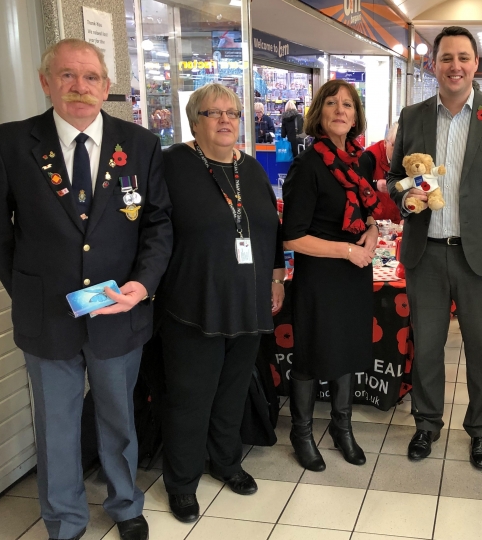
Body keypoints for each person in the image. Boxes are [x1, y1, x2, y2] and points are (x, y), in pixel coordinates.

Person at [0, 39, 173, 540]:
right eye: (67, 75)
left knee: (118, 417)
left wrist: (143, 285)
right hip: (47, 316)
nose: (79, 87)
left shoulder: (142, 144)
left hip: (120, 310)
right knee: (57, 425)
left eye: (90, 77)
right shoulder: (9, 143)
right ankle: (65, 520)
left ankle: (125, 503)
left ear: (107, 87)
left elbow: (158, 225)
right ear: (46, 82)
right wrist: (29, 289)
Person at [387, 26, 482, 470]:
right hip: (424, 253)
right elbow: (394, 178)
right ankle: (426, 423)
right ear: (434, 64)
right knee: (426, 346)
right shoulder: (412, 116)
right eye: (447, 57)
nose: (455, 66)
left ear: (475, 64)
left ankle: (481, 430)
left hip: (480, 255)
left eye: (463, 57)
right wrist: (407, 194)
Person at [156, 83, 285, 523]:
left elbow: (270, 228)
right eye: (214, 113)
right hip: (193, 305)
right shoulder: (171, 164)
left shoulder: (248, 168)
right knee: (190, 398)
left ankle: (226, 462)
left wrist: (276, 276)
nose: (225, 120)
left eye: (232, 112)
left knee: (231, 392)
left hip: (247, 303)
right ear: (195, 122)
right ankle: (183, 482)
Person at [282, 79, 384, 471]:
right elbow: (292, 237)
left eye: (348, 104)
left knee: (347, 353)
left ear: (356, 116)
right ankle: (302, 433)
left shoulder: (357, 160)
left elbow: (367, 211)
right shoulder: (307, 165)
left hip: (353, 274)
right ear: (319, 113)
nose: (341, 110)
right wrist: (347, 250)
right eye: (332, 103)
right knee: (310, 356)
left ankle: (343, 428)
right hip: (321, 277)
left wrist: (373, 231)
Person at [359, 122, 402, 223]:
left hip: (396, 223)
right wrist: (375, 184)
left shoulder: (408, 161)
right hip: (372, 223)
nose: (398, 152)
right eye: (394, 145)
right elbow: (357, 186)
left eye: (401, 147)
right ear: (385, 143)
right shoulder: (368, 157)